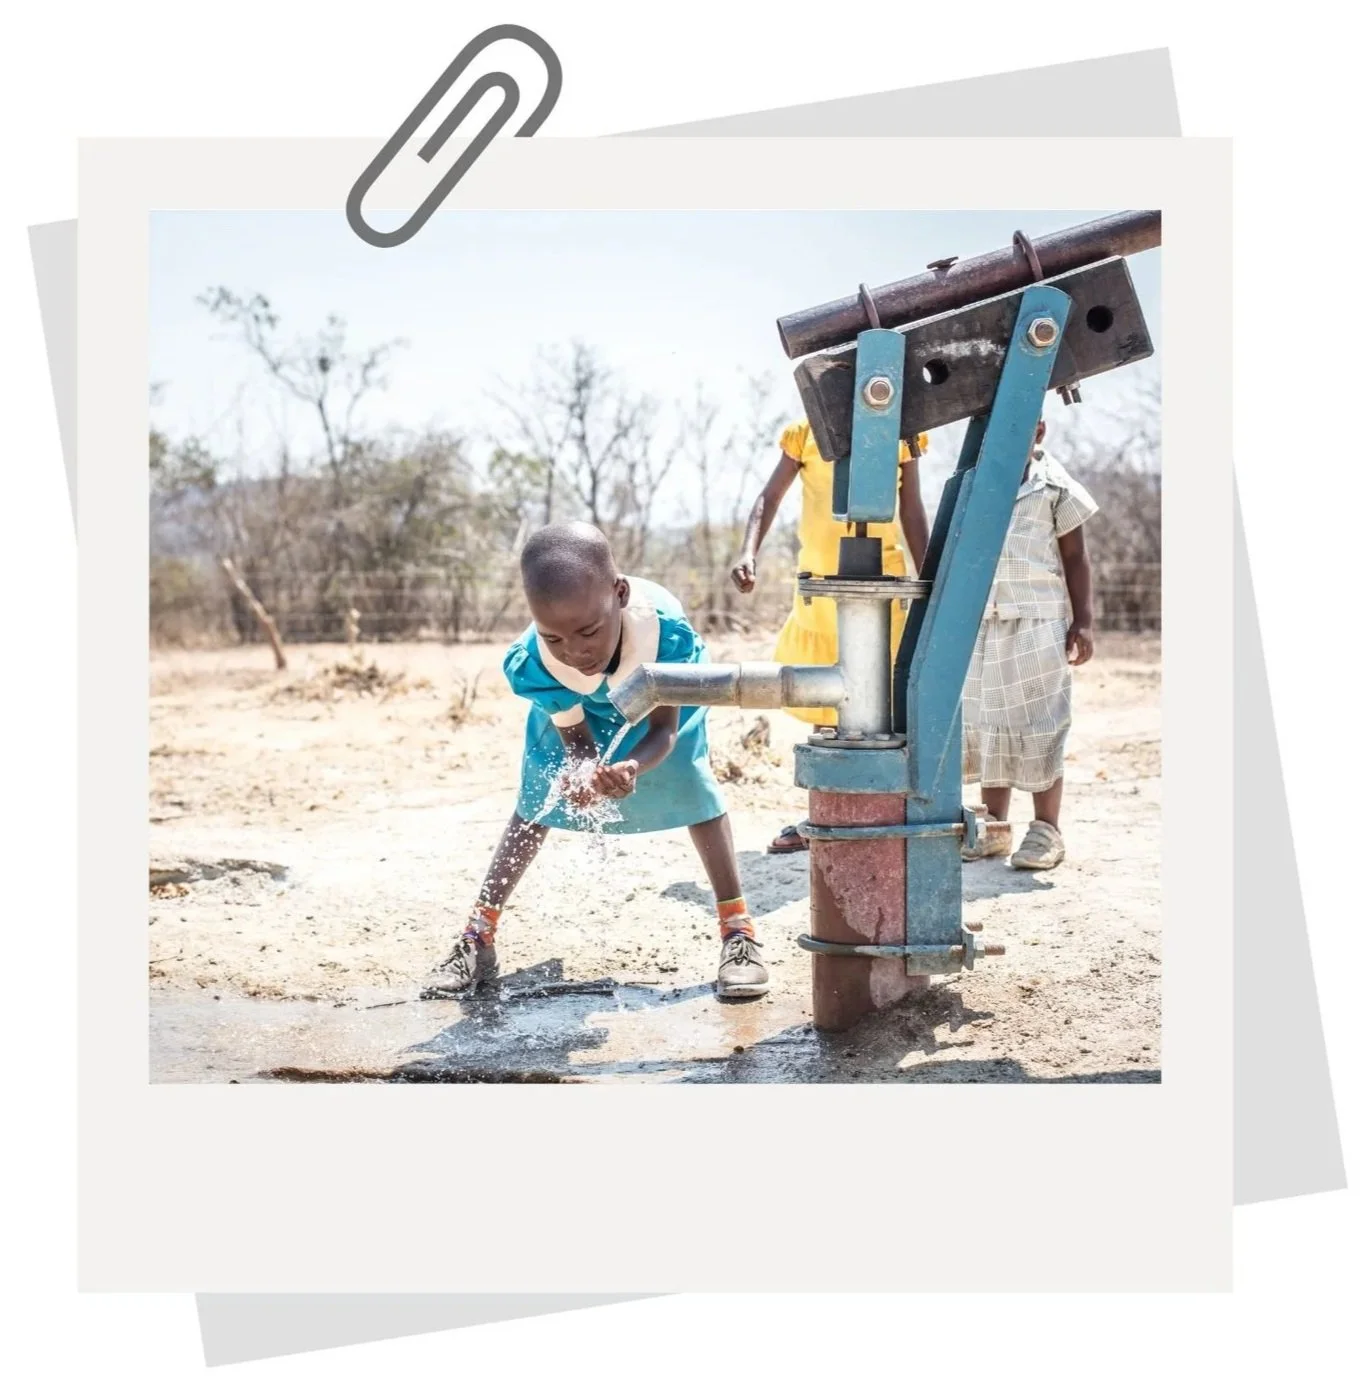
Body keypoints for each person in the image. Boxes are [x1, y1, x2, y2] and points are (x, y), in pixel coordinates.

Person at [425, 521, 769, 1000]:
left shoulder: (665, 635)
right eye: (555, 637)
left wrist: (633, 768)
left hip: (659, 690)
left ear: (620, 593)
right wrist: (583, 773)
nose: (576, 649)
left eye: (588, 630)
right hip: (573, 702)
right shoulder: (538, 662)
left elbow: (663, 731)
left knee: (692, 785)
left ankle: (739, 933)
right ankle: (477, 936)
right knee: (536, 804)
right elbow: (578, 744)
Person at [730, 417, 930, 853]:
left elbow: (911, 508)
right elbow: (770, 496)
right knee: (827, 709)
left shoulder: (902, 431)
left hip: (883, 588)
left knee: (885, 709)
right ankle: (825, 815)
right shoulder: (807, 432)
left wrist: (931, 579)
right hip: (820, 589)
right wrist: (748, 552)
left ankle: (886, 815)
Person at [960, 419, 1098, 871]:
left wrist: (1085, 620)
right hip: (987, 621)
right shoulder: (977, 482)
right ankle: (994, 827)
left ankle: (1045, 832)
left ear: (1037, 431)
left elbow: (1075, 557)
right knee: (988, 721)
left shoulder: (1053, 485)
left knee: (1041, 721)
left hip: (1040, 623)